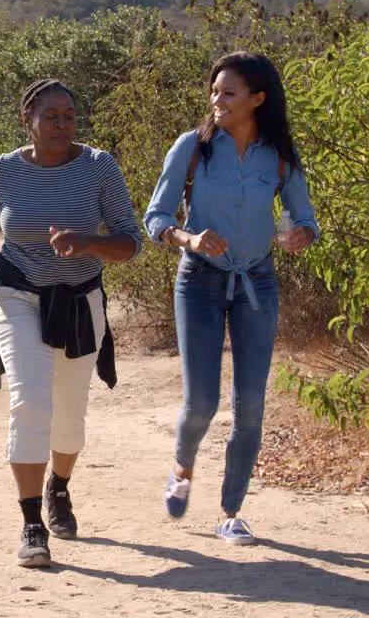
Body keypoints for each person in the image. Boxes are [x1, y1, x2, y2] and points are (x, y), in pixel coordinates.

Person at [0, 79, 141, 568]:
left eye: (69, 116)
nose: (62, 124)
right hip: (18, 293)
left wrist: (86, 242)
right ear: (27, 120)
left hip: (79, 300)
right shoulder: (3, 171)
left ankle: (60, 485)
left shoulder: (99, 168)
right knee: (30, 400)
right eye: (51, 116)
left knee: (70, 418)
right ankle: (32, 523)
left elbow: (129, 242)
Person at [142, 51, 319, 546]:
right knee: (201, 402)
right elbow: (155, 219)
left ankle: (230, 511)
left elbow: (306, 218)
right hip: (199, 280)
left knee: (252, 405)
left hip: (257, 283)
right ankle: (182, 468)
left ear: (257, 100)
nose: (217, 100)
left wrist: (301, 235)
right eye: (215, 91)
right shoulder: (192, 148)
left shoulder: (279, 156)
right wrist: (190, 239)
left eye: (229, 93)